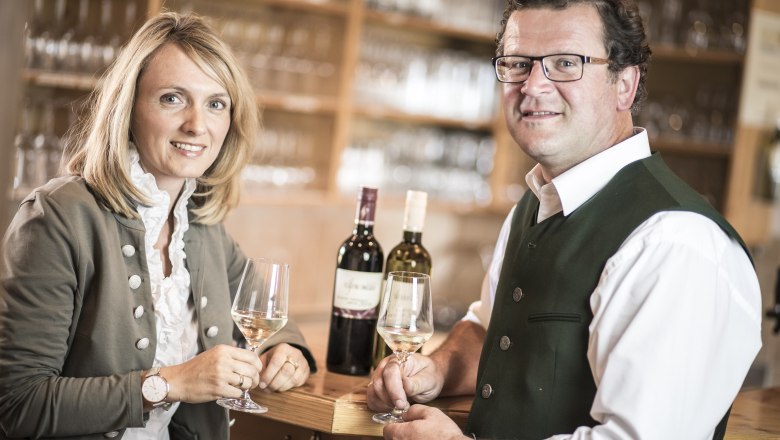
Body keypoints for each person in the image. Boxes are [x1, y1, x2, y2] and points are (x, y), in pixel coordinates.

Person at [367, 0, 762, 439]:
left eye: (565, 63)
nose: (533, 85)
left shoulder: (674, 243)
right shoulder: (534, 206)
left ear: (624, 85)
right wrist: (438, 369)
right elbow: (493, 331)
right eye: (518, 63)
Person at [0, 12, 315, 439]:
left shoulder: (201, 227)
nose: (197, 125)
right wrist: (172, 383)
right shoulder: (57, 217)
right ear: (128, 107)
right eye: (172, 98)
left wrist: (288, 353)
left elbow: (270, 315)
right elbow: (18, 404)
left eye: (215, 104)